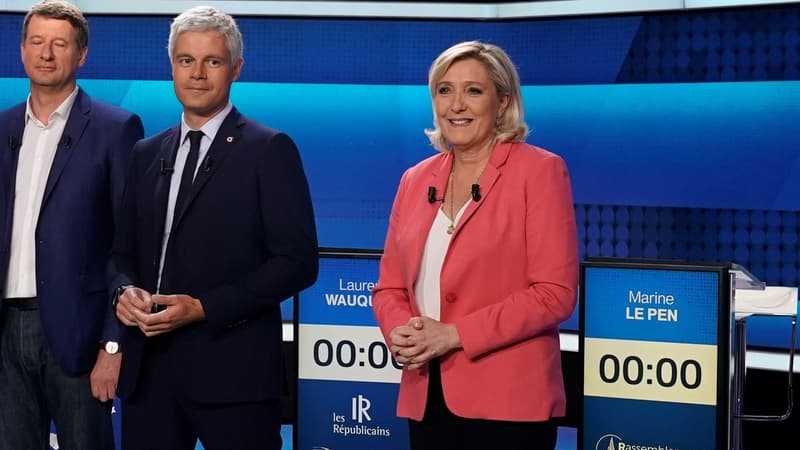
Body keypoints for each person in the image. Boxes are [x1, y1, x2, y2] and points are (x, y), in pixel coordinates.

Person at [110, 6, 318, 450]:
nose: (198, 74)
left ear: (236, 69)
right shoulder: (145, 152)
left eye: (213, 61)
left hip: (234, 376)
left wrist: (203, 307)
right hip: (149, 375)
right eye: (186, 61)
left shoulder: (269, 149)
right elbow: (120, 254)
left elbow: (297, 263)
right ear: (172, 67)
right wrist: (122, 293)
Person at [372, 40, 578, 450]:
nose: (456, 105)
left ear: (502, 102)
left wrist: (453, 334)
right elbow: (390, 288)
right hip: (426, 397)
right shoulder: (415, 179)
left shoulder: (538, 172)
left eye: (473, 90)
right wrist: (403, 334)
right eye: (445, 90)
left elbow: (554, 294)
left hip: (509, 402)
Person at [0, 1, 144, 449]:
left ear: (80, 55)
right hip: (5, 333)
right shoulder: (2, 127)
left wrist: (113, 344)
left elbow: (130, 244)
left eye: (59, 44)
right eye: (37, 42)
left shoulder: (114, 129)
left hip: (79, 336)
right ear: (22, 50)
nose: (46, 54)